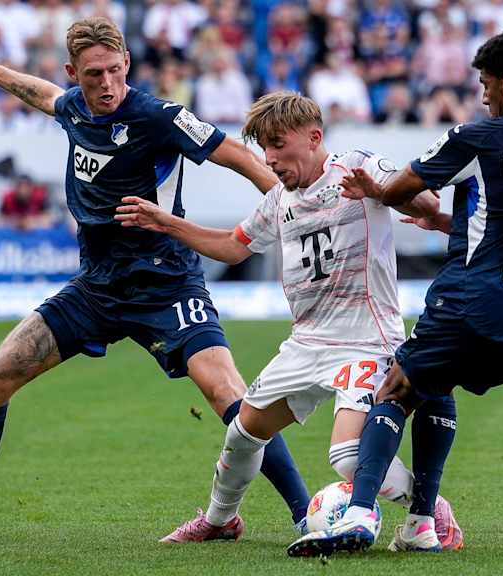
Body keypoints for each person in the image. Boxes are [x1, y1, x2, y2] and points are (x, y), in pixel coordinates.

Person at [0, 17, 309, 544]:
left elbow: (240, 156)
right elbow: (44, 95)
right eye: (93, 76)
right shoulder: (74, 107)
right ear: (75, 74)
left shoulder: (160, 116)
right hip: (96, 288)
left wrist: (297, 206)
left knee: (231, 396)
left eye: (114, 70)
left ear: (127, 63)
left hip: (167, 284)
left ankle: (305, 515)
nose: (106, 84)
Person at [288, 29, 503, 556]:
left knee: (396, 386)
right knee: (436, 382)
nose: (484, 96)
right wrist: (452, 221)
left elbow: (404, 187)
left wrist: (376, 191)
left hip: (476, 300)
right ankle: (422, 524)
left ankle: (359, 513)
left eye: (487, 84)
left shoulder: (480, 136)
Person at [116, 91, 462, 548]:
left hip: (364, 341)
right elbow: (233, 246)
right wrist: (168, 223)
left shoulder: (357, 167)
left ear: (314, 136)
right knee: (242, 431)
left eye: (277, 144)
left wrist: (379, 192)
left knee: (346, 455)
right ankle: (220, 521)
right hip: (304, 345)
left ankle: (430, 506)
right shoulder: (280, 198)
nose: (270, 158)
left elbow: (425, 204)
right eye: (263, 146)